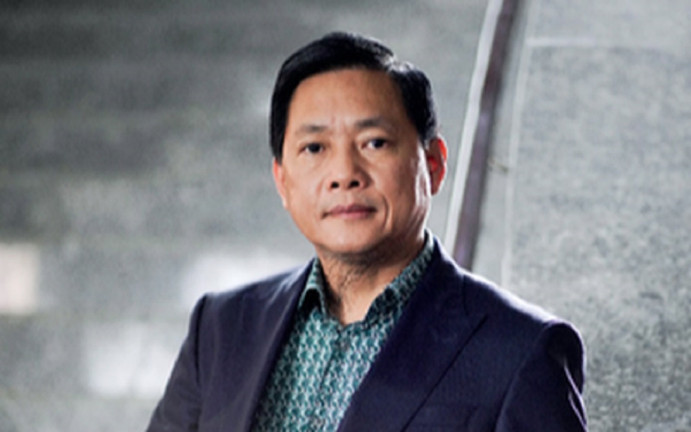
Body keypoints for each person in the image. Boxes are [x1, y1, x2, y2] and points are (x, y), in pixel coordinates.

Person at [147, 32, 587, 431]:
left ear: (433, 164)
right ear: (282, 180)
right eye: (314, 148)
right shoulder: (222, 328)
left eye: (374, 142)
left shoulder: (520, 350)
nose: (344, 173)